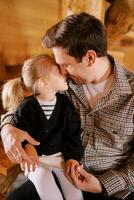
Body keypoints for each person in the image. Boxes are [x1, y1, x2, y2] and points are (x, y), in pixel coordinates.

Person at [1, 12, 134, 200]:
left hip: (112, 186)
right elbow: (23, 107)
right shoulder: (62, 82)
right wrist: (6, 128)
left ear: (90, 57)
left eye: (66, 65)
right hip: (59, 171)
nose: (61, 71)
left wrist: (102, 184)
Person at [9, 54, 84, 200]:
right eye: (58, 71)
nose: (64, 73)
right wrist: (27, 145)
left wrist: (73, 157)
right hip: (35, 161)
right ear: (43, 82)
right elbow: (19, 131)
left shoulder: (65, 104)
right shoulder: (27, 107)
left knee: (74, 191)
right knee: (46, 185)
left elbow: (73, 133)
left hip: (60, 159)